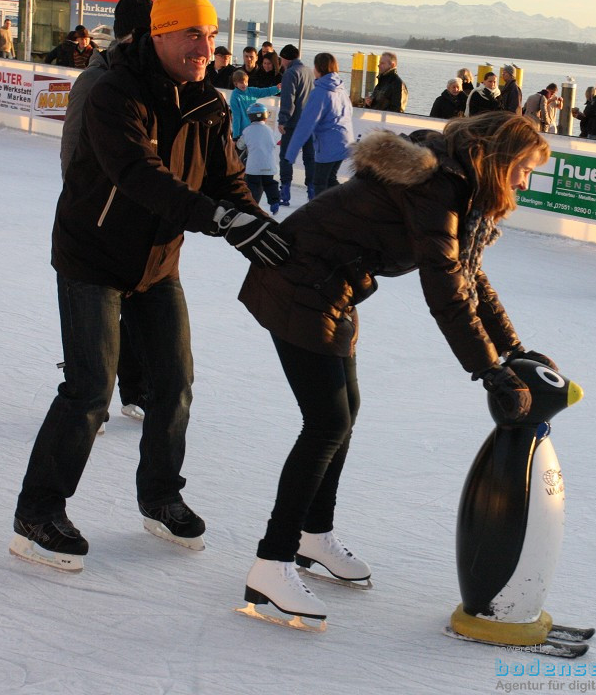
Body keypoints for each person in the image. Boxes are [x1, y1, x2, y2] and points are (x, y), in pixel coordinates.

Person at [8, 0, 288, 572]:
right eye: (192, 34)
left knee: (174, 381)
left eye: (211, 36)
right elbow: (140, 176)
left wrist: (268, 234)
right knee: (89, 390)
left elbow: (229, 184)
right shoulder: (117, 94)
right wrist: (216, 217)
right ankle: (37, 513)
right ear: (160, 34)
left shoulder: (207, 103)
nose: (204, 47)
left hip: (157, 264)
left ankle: (160, 496)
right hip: (93, 258)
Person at [237, 110, 554, 622]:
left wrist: (512, 350)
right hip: (298, 283)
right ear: (497, 159)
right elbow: (448, 295)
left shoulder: (458, 186)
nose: (524, 181)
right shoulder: (439, 187)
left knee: (345, 412)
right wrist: (488, 370)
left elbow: (469, 278)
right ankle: (271, 564)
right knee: (326, 423)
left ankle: (313, 536)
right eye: (523, 168)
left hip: (331, 289)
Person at [59, 0, 156, 425]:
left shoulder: (151, 80)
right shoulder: (95, 80)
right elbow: (73, 150)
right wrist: (81, 205)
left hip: (143, 226)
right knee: (93, 327)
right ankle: (86, 396)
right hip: (94, 225)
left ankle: (135, 389)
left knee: (137, 319)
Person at [285, 52, 353, 197]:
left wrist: (291, 154)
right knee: (330, 179)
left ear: (318, 68)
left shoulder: (320, 92)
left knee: (319, 183)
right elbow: (350, 112)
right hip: (344, 142)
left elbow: (305, 124)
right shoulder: (340, 88)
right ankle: (346, 205)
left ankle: (323, 214)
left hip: (329, 145)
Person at [276, 43, 315, 206]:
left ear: (285, 58)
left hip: (293, 124)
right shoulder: (309, 71)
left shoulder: (290, 73)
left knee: (286, 157)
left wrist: (283, 120)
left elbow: (288, 99)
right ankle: (312, 191)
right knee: (309, 158)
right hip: (309, 122)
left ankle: (285, 192)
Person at [240, 102, 281, 214]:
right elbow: (275, 141)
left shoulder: (247, 131)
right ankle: (275, 202)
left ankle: (252, 206)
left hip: (253, 167)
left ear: (250, 117)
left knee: (252, 185)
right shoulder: (269, 130)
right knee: (270, 184)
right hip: (269, 165)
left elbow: (240, 145)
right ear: (265, 116)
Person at [228, 69, 279, 141]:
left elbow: (265, 91)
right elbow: (236, 117)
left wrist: (277, 88)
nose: (244, 84)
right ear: (236, 84)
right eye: (241, 82)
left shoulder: (251, 91)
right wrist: (236, 135)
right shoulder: (235, 97)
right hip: (243, 131)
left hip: (254, 128)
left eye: (246, 82)